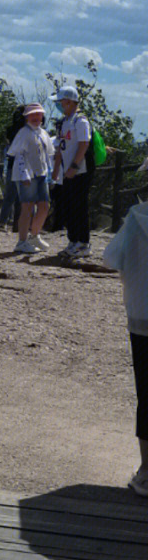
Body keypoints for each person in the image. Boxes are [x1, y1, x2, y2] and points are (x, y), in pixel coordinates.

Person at [102, 199, 148, 495]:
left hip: (143, 318)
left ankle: (147, 473)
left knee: (147, 393)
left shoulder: (138, 217)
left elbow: (112, 257)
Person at [51, 84, 93, 260]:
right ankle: (73, 240)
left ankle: (83, 243)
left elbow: (84, 144)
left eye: (61, 102)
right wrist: (56, 170)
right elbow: (61, 147)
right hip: (67, 171)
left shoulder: (80, 121)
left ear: (69, 102)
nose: (59, 105)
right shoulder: (64, 122)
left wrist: (74, 166)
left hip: (80, 171)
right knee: (68, 206)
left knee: (79, 206)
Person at [9, 104, 55, 255]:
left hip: (40, 174)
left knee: (44, 206)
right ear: (27, 117)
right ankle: (22, 241)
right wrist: (24, 174)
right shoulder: (24, 133)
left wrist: (51, 173)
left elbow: (48, 154)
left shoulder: (43, 133)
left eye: (38, 115)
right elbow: (18, 154)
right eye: (32, 115)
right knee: (27, 207)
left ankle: (34, 236)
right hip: (28, 175)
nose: (36, 118)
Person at [0, 104, 27, 228]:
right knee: (22, 198)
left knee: (9, 196)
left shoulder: (11, 130)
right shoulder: (27, 131)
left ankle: (2, 223)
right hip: (25, 165)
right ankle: (17, 226)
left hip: (12, 164)